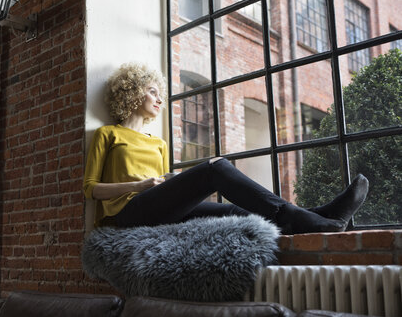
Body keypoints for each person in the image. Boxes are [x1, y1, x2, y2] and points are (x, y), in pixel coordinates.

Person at [83, 63, 369, 234]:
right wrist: (140, 185)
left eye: (161, 93)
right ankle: (309, 218)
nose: (159, 99)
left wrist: (163, 184)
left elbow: (161, 188)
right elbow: (90, 189)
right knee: (217, 167)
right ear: (130, 91)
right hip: (123, 216)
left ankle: (315, 216)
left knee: (236, 211)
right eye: (152, 91)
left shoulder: (158, 143)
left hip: (156, 211)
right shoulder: (107, 134)